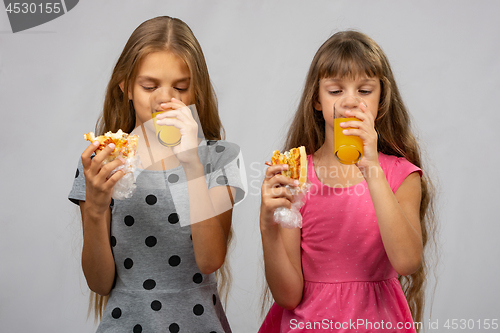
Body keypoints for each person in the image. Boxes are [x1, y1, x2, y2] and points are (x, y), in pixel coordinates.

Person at [68, 16, 245, 332]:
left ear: (196, 91)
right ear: (127, 87)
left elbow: (209, 260)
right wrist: (95, 209)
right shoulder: (102, 160)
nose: (166, 99)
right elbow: (98, 282)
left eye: (180, 87)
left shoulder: (220, 159)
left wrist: (192, 164)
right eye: (150, 86)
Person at [259, 30, 436, 333]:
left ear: (381, 101)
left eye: (364, 91)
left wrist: (372, 170)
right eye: (336, 90)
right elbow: (288, 296)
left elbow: (407, 262)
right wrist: (267, 225)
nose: (350, 102)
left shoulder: (401, 175)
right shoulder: (296, 175)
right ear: (317, 99)